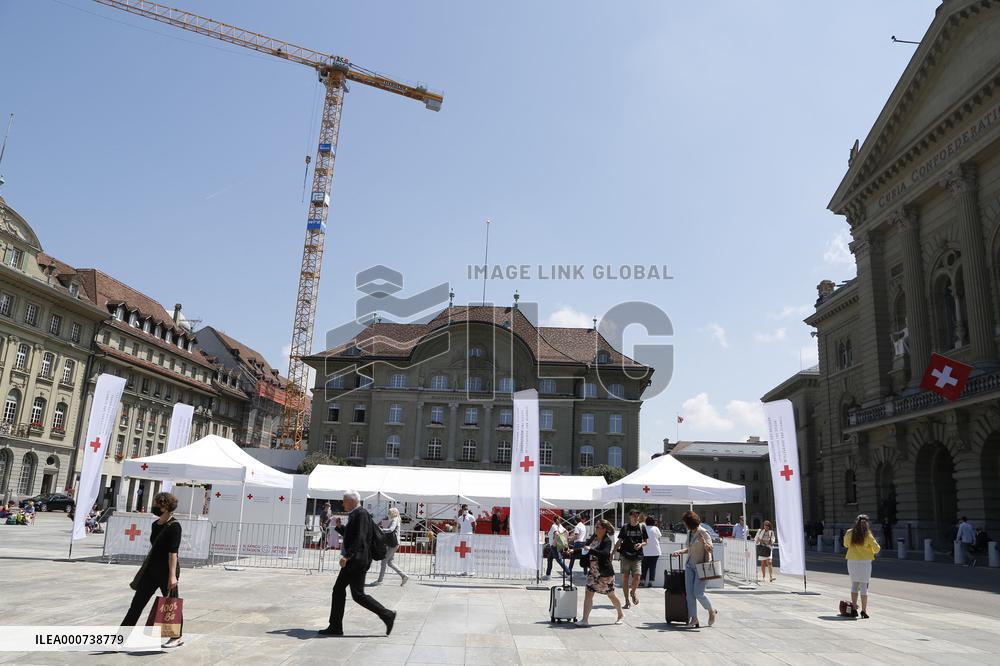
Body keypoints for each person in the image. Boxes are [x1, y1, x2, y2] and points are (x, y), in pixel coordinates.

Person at [321, 490, 396, 637]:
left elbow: (360, 539)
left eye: (344, 501)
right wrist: (341, 528)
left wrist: (347, 556)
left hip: (357, 561)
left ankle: (387, 615)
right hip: (357, 560)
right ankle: (335, 626)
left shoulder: (360, 514)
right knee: (341, 591)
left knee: (357, 594)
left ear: (352, 501)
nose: (342, 503)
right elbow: (355, 535)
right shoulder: (358, 514)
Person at [121, 492, 184, 648]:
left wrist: (172, 577)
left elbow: (173, 554)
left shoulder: (175, 527)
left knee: (171, 605)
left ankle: (177, 637)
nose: (154, 506)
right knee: (136, 605)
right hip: (151, 572)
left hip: (167, 572)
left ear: (165, 507)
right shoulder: (155, 525)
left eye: (157, 504)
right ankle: (120, 640)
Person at [567, 519, 624, 626]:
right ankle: (585, 620)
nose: (595, 528)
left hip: (604, 573)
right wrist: (574, 551)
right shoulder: (594, 537)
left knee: (611, 595)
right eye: (596, 526)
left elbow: (604, 554)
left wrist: (591, 550)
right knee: (588, 594)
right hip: (593, 573)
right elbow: (585, 548)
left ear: (604, 529)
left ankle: (620, 614)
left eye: (598, 527)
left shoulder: (607, 541)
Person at [675, 510, 717, 628]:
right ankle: (694, 618)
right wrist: (680, 551)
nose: (684, 524)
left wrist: (705, 543)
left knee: (698, 593)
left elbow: (710, 549)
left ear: (690, 522)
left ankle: (711, 610)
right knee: (689, 594)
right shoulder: (689, 532)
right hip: (689, 566)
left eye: (685, 522)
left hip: (701, 567)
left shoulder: (703, 532)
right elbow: (689, 549)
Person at [843, 514, 881, 619]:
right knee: (864, 586)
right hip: (865, 562)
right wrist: (870, 550)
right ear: (867, 523)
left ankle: (854, 608)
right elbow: (877, 548)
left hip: (852, 561)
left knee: (854, 584)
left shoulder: (849, 533)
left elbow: (845, 544)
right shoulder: (867, 535)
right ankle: (864, 611)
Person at [616, 509, 647, 609]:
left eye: (637, 515)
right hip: (625, 555)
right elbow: (619, 541)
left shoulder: (642, 527)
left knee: (637, 576)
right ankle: (627, 601)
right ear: (630, 516)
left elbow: (646, 541)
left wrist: (641, 544)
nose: (636, 517)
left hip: (637, 556)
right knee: (625, 578)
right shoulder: (625, 527)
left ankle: (633, 592)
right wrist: (612, 553)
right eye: (634, 516)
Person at [375, 507, 409, 586]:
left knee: (384, 561)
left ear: (393, 513)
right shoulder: (395, 519)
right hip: (393, 544)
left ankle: (380, 580)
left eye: (389, 512)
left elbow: (391, 529)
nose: (388, 514)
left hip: (393, 544)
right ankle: (404, 576)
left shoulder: (395, 519)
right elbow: (388, 528)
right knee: (389, 562)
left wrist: (381, 530)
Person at [640, 516, 662, 588]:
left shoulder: (643, 528)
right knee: (653, 567)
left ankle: (642, 581)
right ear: (653, 522)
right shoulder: (656, 528)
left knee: (644, 566)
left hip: (645, 550)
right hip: (655, 551)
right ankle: (650, 582)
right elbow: (659, 537)